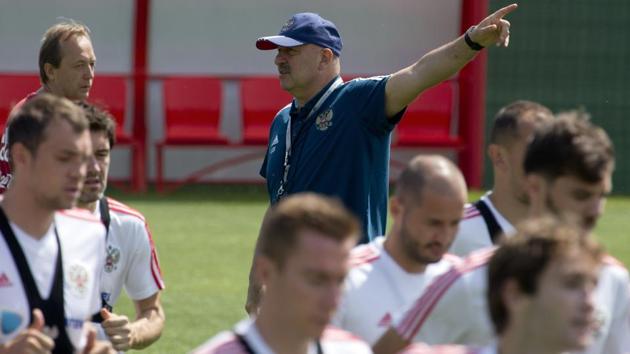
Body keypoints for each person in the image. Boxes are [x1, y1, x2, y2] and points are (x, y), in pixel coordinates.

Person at [372, 112, 630, 354]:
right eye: (580, 195)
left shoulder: (615, 280)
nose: (595, 210)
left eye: (602, 195)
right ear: (535, 187)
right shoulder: (470, 278)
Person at [255, 5, 517, 242]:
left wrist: (471, 41)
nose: (279, 59)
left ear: (325, 57)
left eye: (291, 51)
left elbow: (419, 73)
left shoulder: (356, 102)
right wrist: (257, 289)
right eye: (279, 51)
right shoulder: (282, 121)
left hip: (350, 283)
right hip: (292, 282)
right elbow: (276, 207)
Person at [0, 94, 113, 353]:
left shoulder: (90, 234)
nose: (81, 171)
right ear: (21, 157)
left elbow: (78, 329)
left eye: (83, 158)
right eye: (64, 158)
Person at [191, 193, 372, 354]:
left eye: (340, 281)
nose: (334, 301)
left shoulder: (354, 349)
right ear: (266, 273)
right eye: (316, 280)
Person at [331, 155, 466, 344]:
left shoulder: (462, 280)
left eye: (454, 223)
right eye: (434, 223)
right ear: (396, 209)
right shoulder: (343, 278)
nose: (444, 237)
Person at [75, 103, 165, 351]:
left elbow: (153, 312)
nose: (94, 168)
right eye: (82, 156)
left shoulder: (129, 225)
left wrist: (132, 332)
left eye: (102, 154)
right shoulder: (19, 222)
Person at [0, 19, 96, 193]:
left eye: (92, 64)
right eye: (79, 65)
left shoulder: (56, 111)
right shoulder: (36, 116)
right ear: (51, 71)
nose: (89, 74)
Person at [449, 100, 553, 256]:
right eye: (535, 151)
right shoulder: (455, 230)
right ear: (498, 156)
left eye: (552, 152)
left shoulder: (565, 237)